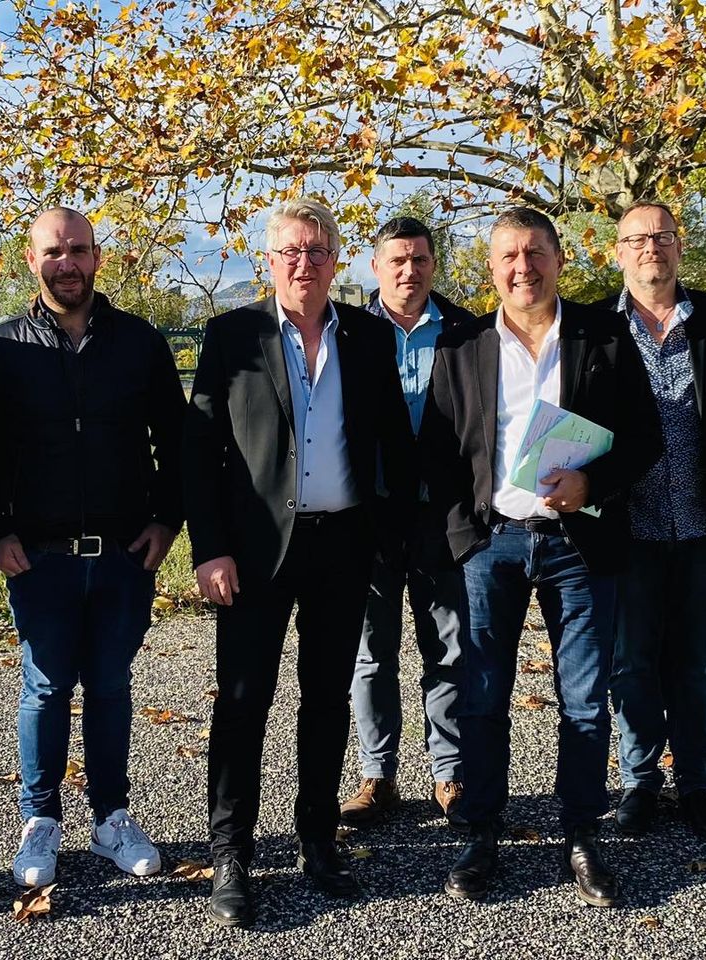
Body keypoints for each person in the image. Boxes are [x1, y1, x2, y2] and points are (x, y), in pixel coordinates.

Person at [421, 207, 660, 906]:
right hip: (491, 546)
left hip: (578, 545)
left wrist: (594, 483)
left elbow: (644, 438)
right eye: (507, 257)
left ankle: (581, 834)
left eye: (534, 253)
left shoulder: (604, 336)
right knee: (483, 698)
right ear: (491, 268)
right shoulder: (461, 343)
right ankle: (481, 832)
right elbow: (438, 450)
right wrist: (463, 532)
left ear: (559, 259)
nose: (522, 268)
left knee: (584, 701)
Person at [184, 199, 414, 927]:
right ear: (269, 259)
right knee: (244, 703)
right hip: (254, 552)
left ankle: (318, 837)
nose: (304, 263)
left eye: (317, 250)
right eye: (290, 251)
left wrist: (391, 533)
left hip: (343, 544)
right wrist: (210, 546)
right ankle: (233, 853)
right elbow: (200, 453)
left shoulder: (371, 339)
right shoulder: (232, 336)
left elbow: (395, 447)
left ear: (337, 259)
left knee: (325, 701)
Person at [0, 207, 186, 888]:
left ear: (98, 258)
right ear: (31, 261)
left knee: (112, 687)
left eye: (79, 250)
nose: (67, 262)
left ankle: (111, 817)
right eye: (53, 252)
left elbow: (176, 442)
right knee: (44, 687)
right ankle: (40, 821)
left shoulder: (141, 343)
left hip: (125, 554)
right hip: (39, 556)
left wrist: (167, 521)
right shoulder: (3, 347)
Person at [598, 202, 706, 840]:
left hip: (701, 520)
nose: (648, 249)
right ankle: (639, 781)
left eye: (660, 236)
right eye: (635, 240)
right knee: (631, 662)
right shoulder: (597, 329)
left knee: (693, 659)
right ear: (617, 253)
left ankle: (696, 783)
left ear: (678, 246)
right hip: (626, 525)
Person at [339, 217, 474, 830]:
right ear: (375, 267)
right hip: (367, 513)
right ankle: (377, 774)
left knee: (447, 647)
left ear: (432, 264)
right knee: (371, 651)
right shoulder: (346, 332)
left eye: (419, 259)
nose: (408, 271)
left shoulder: (467, 332)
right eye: (396, 260)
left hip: (441, 513)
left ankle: (450, 773)